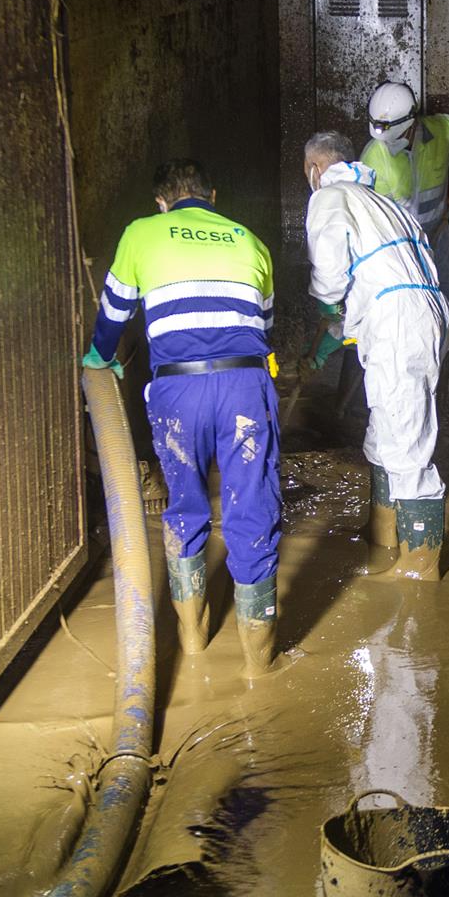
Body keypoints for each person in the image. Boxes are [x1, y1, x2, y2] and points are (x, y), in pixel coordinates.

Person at [82, 159, 281, 675]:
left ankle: (192, 644)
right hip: (244, 384)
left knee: (185, 507)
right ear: (211, 195)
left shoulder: (142, 233)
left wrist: (98, 359)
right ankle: (260, 666)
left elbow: (114, 313)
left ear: (162, 202)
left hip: (177, 388)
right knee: (252, 508)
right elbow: (265, 322)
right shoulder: (249, 239)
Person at [302, 130, 449, 581]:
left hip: (399, 319)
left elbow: (331, 278)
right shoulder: (387, 204)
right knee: (387, 428)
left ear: (316, 169)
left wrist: (326, 307)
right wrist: (333, 337)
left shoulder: (329, 198)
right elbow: (378, 281)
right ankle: (383, 537)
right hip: (423, 312)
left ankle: (418, 569)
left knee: (406, 440)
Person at [360, 81, 449, 315]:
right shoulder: (373, 157)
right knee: (406, 307)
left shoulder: (441, 132)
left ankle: (446, 349)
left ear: (410, 122)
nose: (387, 143)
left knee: (446, 298)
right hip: (399, 243)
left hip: (438, 230)